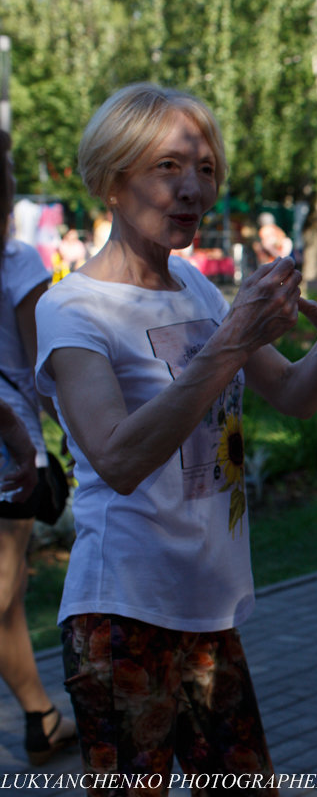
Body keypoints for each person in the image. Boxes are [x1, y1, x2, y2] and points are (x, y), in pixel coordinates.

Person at [35, 82, 317, 793]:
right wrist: (233, 340)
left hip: (206, 611)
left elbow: (293, 398)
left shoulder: (196, 288)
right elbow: (117, 457)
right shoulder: (73, 309)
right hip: (121, 612)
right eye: (169, 167)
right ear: (114, 179)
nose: (193, 188)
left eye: (206, 169)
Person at [0, 128, 79, 766]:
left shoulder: (18, 263)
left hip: (10, 449)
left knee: (9, 598)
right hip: (10, 449)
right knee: (1, 592)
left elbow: (38, 365)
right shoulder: (19, 262)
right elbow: (41, 367)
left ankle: (41, 717)